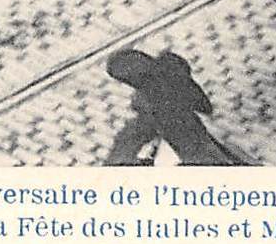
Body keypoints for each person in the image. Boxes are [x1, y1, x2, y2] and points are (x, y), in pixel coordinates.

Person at [104, 49, 254, 165]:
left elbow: (146, 136)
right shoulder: (171, 68)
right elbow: (203, 106)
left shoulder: (145, 104)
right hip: (198, 132)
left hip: (189, 149)